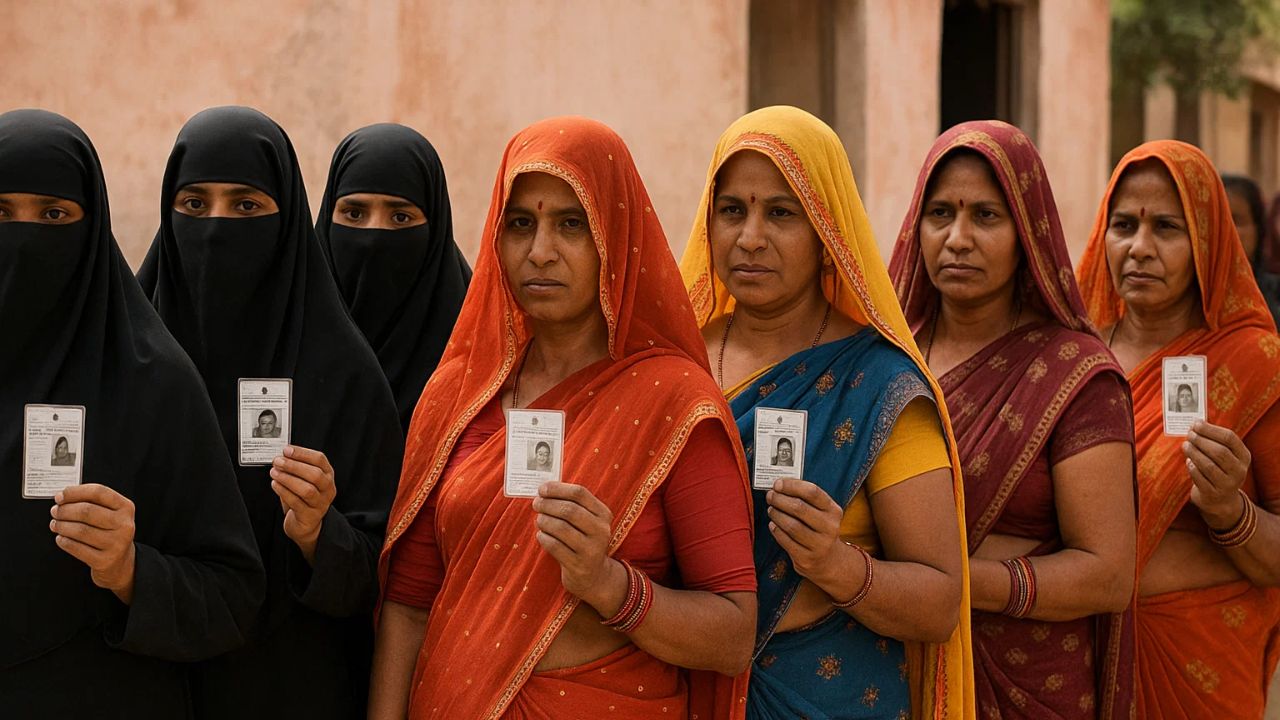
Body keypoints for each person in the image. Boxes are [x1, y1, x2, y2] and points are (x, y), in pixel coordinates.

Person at [370, 116, 757, 719]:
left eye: (570, 224)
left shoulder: (673, 402)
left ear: (615, 232)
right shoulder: (458, 394)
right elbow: (409, 605)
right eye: (520, 224)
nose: (540, 251)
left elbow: (733, 637)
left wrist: (609, 585)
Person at [680, 105, 974, 719]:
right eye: (732, 210)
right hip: (683, 685)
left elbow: (941, 602)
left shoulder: (879, 383)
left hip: (832, 695)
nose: (750, 236)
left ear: (827, 232)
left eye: (781, 213)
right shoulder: (672, 362)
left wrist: (835, 565)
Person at [137, 106, 404, 719]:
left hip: (294, 683)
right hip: (151, 679)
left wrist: (319, 534)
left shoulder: (343, 374)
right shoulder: (136, 362)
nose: (216, 227)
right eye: (195, 204)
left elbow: (389, 573)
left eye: (247, 205)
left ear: (286, 221)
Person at [0, 109, 263, 719]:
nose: (25, 237)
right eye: (3, 212)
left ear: (92, 232)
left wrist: (130, 570)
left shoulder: (152, 381)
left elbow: (231, 594)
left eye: (54, 215)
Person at [890, 120, 1136, 719]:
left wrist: (952, 585)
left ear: (1027, 231)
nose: (958, 238)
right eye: (941, 213)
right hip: (894, 664)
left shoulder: (1075, 373)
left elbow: (1106, 573)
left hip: (1030, 682)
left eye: (987, 216)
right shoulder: (888, 359)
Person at [1078, 140, 1280, 718]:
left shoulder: (1255, 362)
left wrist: (1227, 512)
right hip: (1076, 654)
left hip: (1199, 658)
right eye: (1124, 225)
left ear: (1207, 243)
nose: (1140, 249)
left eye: (1167, 227)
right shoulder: (1071, 355)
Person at [315, 123, 471, 432]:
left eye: (401, 217)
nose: (374, 237)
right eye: (354, 214)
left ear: (435, 229)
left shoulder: (476, 359)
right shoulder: (297, 345)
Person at [1222, 174, 1280, 323]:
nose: (1225, 230)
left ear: (1258, 229)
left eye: (1236, 220)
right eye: (1217, 220)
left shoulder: (1276, 296)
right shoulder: (1183, 303)